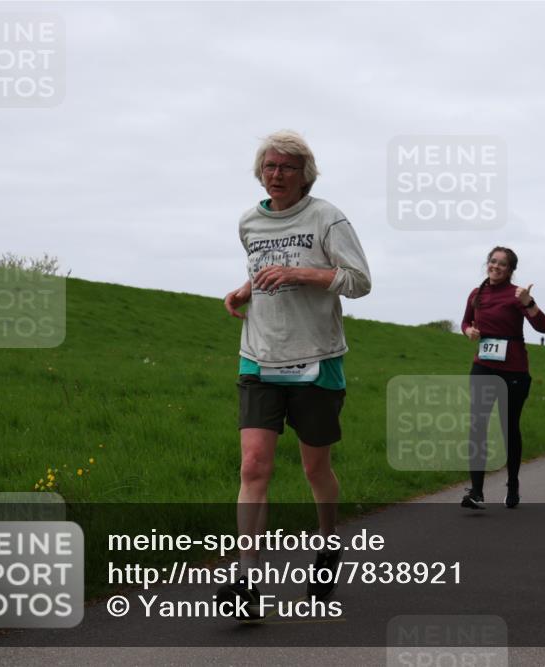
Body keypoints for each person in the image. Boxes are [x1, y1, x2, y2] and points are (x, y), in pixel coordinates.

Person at [216, 130, 372, 617]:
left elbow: (360, 282)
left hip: (316, 360)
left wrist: (303, 274)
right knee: (253, 467)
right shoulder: (249, 223)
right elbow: (265, 265)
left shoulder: (327, 217)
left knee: (314, 468)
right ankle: (245, 580)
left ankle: (327, 545)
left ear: (305, 174)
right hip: (258, 357)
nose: (276, 175)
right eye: (269, 167)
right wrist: (247, 288)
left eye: (286, 167)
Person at [460, 246, 545, 509]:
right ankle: (476, 491)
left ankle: (513, 482)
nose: (495, 266)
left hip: (514, 371)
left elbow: (543, 326)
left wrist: (528, 303)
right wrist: (469, 332)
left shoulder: (516, 295)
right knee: (477, 426)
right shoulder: (476, 294)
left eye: (502, 264)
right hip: (483, 366)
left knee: (508, 427)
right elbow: (465, 322)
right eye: (492, 261)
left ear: (510, 270)